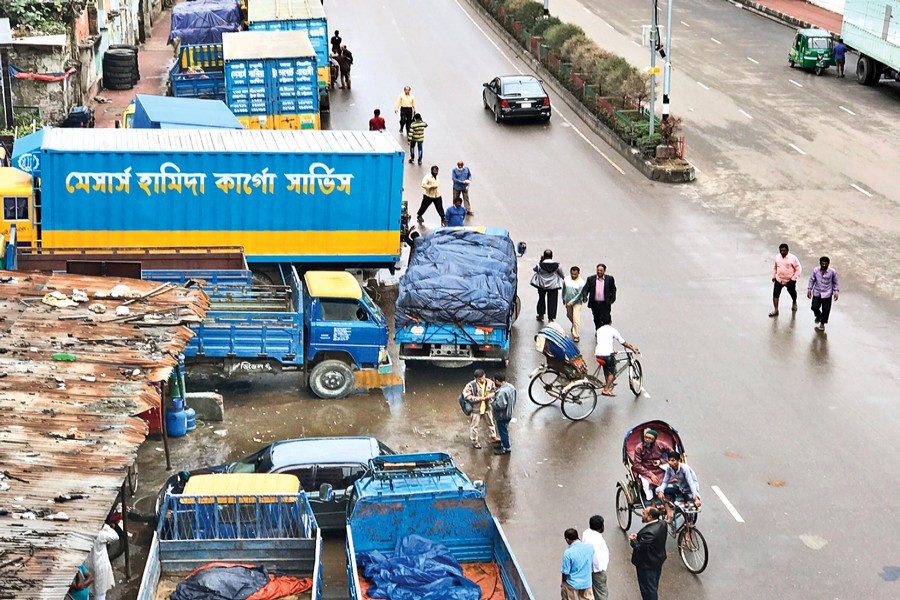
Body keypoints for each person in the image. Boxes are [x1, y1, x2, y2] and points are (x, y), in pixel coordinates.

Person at [593, 317, 639, 397]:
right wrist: (633, 349)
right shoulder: (613, 330)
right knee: (613, 372)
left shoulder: (599, 330)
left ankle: (608, 381)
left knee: (606, 367)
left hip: (598, 353)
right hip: (607, 354)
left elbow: (603, 341)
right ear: (610, 321)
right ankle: (606, 389)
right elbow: (622, 342)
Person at [630, 507, 667, 600]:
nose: (642, 515)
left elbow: (639, 547)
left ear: (650, 517)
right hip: (657, 560)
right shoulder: (662, 524)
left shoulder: (649, 532)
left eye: (644, 513)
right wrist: (639, 536)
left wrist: (633, 540)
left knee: (648, 590)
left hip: (647, 565)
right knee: (653, 585)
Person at [632, 428, 673, 502]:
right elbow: (637, 464)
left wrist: (661, 461)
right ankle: (652, 502)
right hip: (645, 469)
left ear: (654, 440)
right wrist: (650, 475)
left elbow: (673, 455)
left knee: (671, 478)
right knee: (647, 484)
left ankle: (668, 497)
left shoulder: (661, 445)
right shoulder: (639, 448)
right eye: (646, 437)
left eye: (650, 438)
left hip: (659, 467)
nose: (647, 440)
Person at [463, 369, 499, 449]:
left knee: (491, 423)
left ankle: (493, 436)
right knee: (474, 426)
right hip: (476, 409)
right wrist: (479, 398)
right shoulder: (470, 385)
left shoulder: (490, 382)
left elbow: (494, 391)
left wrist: (489, 396)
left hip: (487, 408)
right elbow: (467, 396)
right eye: (479, 379)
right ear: (475, 378)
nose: (482, 380)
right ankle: (474, 441)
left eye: (482, 378)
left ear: (485, 375)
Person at [86, 522, 120, 600]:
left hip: (88, 565)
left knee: (89, 588)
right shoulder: (100, 534)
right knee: (100, 592)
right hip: (100, 566)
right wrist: (106, 527)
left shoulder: (85, 534)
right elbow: (115, 536)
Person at [531, 249, 565, 322]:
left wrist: (541, 261)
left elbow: (534, 269)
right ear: (552, 256)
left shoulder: (539, 265)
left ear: (544, 256)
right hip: (553, 286)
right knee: (552, 301)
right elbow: (562, 275)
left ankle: (541, 314)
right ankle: (551, 318)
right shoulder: (557, 265)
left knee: (541, 299)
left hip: (541, 285)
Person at [560, 528, 594, 600]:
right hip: (586, 583)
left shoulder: (568, 553)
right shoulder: (590, 547)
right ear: (578, 537)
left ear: (567, 539)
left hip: (572, 584)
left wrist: (563, 583)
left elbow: (565, 572)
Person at [580, 264, 617, 331]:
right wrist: (585, 296)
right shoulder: (591, 279)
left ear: (604, 271)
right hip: (595, 303)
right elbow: (586, 289)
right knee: (596, 318)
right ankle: (598, 331)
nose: (599, 272)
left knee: (606, 318)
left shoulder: (610, 279)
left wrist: (612, 299)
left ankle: (606, 331)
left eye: (601, 270)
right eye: (598, 270)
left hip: (605, 303)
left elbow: (613, 289)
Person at [808, 256, 839, 332]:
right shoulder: (815, 270)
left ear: (828, 264)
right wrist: (809, 290)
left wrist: (836, 292)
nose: (824, 265)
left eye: (826, 264)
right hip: (817, 292)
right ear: (820, 263)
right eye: (822, 264)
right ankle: (818, 316)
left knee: (826, 310)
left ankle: (822, 323)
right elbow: (812, 280)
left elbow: (835, 282)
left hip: (827, 293)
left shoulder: (832, 272)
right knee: (814, 307)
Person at [770, 243, 802, 317]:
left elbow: (798, 269)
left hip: (789, 280)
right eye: (781, 251)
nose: (782, 252)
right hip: (779, 279)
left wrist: (794, 278)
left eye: (784, 251)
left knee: (792, 293)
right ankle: (776, 310)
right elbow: (775, 267)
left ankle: (794, 302)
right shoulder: (777, 257)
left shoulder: (793, 258)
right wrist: (773, 276)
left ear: (788, 250)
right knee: (775, 295)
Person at [581, 515, 609, 600]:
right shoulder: (596, 540)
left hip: (588, 568)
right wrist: (600, 569)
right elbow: (595, 557)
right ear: (601, 527)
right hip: (597, 571)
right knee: (601, 593)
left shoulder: (586, 533)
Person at [491, 373, 516, 455]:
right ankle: (502, 444)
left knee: (503, 432)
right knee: (503, 430)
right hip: (509, 413)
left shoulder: (502, 392)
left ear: (497, 381)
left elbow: (500, 405)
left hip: (502, 416)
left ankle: (506, 448)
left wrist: (492, 402)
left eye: (494, 380)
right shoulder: (511, 387)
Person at [562, 266, 586, 342]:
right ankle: (574, 325)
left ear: (578, 273)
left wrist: (572, 302)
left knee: (576, 318)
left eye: (575, 274)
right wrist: (563, 298)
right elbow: (564, 289)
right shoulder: (566, 279)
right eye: (572, 274)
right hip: (567, 300)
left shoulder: (581, 283)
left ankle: (576, 335)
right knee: (569, 315)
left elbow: (579, 295)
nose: (573, 276)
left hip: (577, 302)